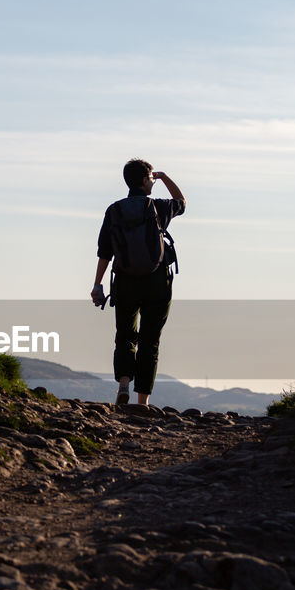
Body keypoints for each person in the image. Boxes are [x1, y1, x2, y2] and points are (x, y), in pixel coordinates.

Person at [90, 158, 185, 406]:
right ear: (145, 180)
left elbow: (104, 251)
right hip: (157, 282)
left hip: (125, 281)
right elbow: (182, 203)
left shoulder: (115, 210)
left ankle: (124, 382)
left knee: (125, 335)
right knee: (150, 340)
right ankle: (142, 401)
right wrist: (164, 177)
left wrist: (97, 284)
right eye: (151, 178)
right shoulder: (159, 208)